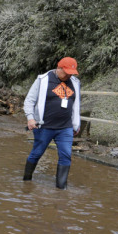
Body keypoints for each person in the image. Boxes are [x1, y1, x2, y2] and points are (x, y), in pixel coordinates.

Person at [22, 57, 81, 190]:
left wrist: (76, 123)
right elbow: (29, 101)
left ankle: (61, 189)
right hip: (44, 126)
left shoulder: (75, 83)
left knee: (66, 155)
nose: (69, 75)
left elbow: (76, 105)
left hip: (65, 127)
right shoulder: (43, 80)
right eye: (66, 72)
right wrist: (30, 118)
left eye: (71, 73)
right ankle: (26, 181)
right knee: (37, 153)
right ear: (58, 68)